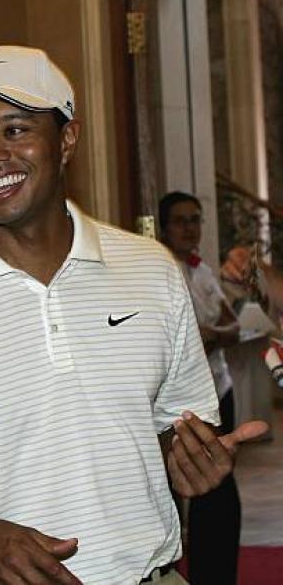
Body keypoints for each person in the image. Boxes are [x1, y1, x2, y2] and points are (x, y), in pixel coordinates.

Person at [0, 45, 268, 584]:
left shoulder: (150, 270)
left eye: (15, 129)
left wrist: (188, 455)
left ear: (66, 140)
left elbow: (179, 418)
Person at [159, 191, 243, 584]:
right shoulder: (159, 273)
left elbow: (233, 328)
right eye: (180, 220)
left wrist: (213, 333)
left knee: (220, 491)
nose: (190, 228)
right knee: (182, 488)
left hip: (217, 388)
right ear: (163, 227)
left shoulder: (204, 271)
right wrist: (207, 335)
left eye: (195, 219)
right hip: (178, 403)